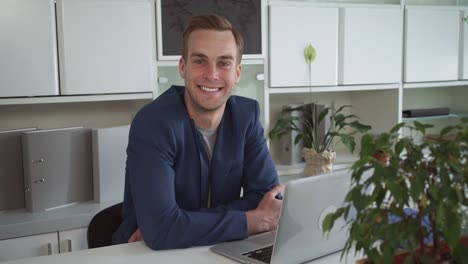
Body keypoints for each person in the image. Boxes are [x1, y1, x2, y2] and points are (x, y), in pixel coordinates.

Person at [112, 14, 282, 250]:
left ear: (237, 72)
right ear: (183, 67)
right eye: (200, 61)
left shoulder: (247, 116)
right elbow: (162, 231)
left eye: (224, 63)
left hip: (214, 249)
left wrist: (180, 222)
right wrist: (252, 220)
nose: (212, 74)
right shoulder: (153, 123)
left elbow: (269, 200)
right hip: (144, 255)